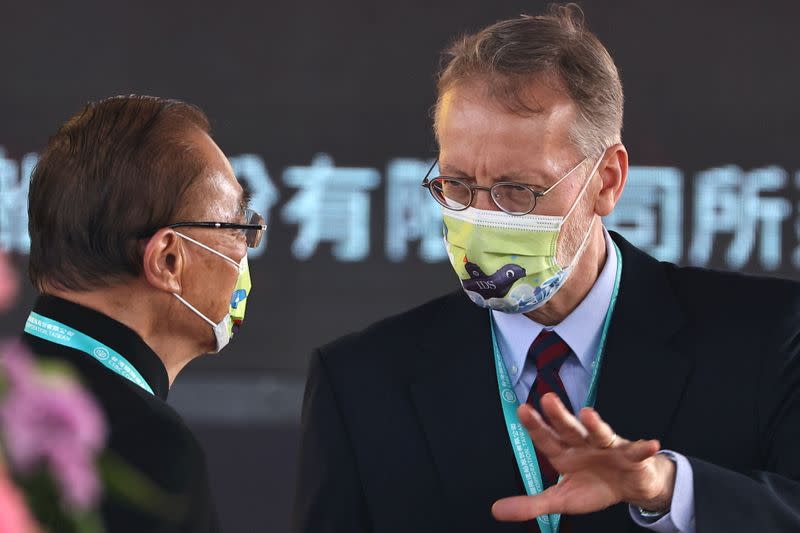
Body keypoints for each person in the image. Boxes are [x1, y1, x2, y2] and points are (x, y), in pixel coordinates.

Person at [292, 5, 800, 533]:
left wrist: (669, 488)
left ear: (607, 181)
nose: (482, 220)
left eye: (518, 192)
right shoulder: (362, 381)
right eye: (457, 186)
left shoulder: (767, 337)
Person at [23, 95, 265, 532]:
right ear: (168, 260)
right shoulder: (144, 446)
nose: (246, 250)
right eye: (236, 227)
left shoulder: (15, 401)